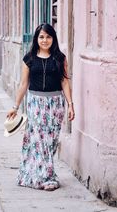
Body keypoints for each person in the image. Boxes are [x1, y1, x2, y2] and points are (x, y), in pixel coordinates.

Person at [7, 23, 75, 191]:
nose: (45, 40)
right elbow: (24, 84)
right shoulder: (29, 58)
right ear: (37, 39)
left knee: (50, 142)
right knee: (38, 141)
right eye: (41, 37)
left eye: (48, 37)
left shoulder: (60, 58)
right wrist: (15, 107)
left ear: (53, 38)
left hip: (55, 105)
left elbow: (65, 81)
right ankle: (46, 177)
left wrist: (70, 104)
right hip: (36, 104)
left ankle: (42, 173)